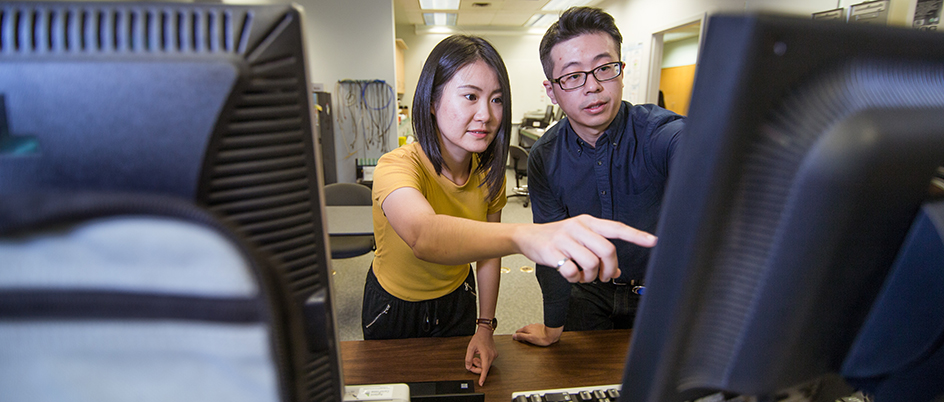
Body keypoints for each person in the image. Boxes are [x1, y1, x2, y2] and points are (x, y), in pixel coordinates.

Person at [362, 34, 658, 386]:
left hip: (458, 298)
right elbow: (423, 236)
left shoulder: (488, 173)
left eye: (497, 100)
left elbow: (489, 257)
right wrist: (526, 235)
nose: (486, 115)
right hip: (394, 304)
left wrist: (485, 327)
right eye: (470, 96)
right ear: (431, 100)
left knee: (460, 389)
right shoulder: (395, 167)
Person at [513, 7, 685, 347]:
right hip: (587, 295)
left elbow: (695, 145)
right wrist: (553, 326)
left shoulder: (657, 134)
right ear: (552, 91)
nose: (592, 87)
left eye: (604, 68)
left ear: (621, 72)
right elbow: (552, 251)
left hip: (661, 295)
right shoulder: (545, 157)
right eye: (573, 76)